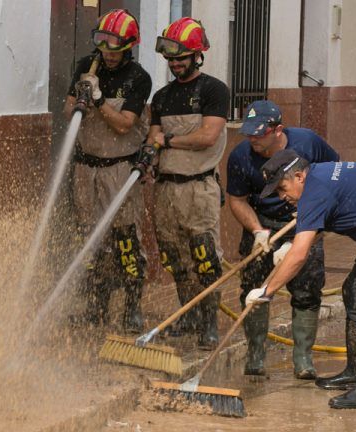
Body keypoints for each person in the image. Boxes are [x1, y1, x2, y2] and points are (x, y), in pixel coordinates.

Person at [246, 149, 356, 409]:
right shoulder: (318, 179)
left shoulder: (314, 192)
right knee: (352, 291)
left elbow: (299, 256)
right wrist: (293, 244)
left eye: (282, 189)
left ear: (298, 176)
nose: (283, 197)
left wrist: (266, 291)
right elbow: (319, 224)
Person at [226, 100, 340, 378]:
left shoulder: (308, 143)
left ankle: (303, 359)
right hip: (262, 225)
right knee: (253, 290)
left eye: (259, 133)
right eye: (249, 132)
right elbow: (236, 199)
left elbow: (333, 175)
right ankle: (255, 357)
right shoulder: (241, 156)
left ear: (278, 130)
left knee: (306, 290)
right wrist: (257, 230)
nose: (252, 138)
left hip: (304, 223)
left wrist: (311, 213)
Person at [138, 17, 230, 349]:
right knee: (175, 257)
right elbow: (153, 137)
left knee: (204, 255)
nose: (176, 64)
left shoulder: (213, 90)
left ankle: (209, 323)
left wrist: (168, 140)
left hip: (199, 187)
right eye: (171, 60)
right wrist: (148, 155)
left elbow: (207, 137)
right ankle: (188, 316)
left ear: (197, 56)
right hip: (165, 189)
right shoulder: (162, 97)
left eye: (182, 59)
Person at [63, 9, 152, 332]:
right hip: (86, 167)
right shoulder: (86, 66)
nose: (108, 55)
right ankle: (95, 306)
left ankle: (131, 308)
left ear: (128, 48)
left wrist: (99, 99)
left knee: (125, 237)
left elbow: (125, 125)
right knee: (89, 239)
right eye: (103, 47)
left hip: (119, 167)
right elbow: (67, 109)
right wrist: (80, 98)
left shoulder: (138, 78)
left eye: (115, 49)